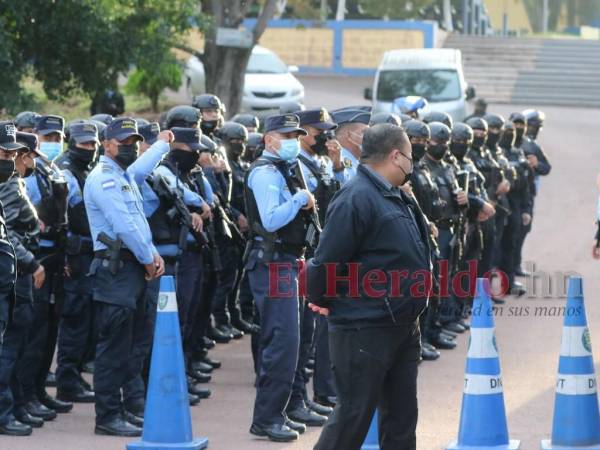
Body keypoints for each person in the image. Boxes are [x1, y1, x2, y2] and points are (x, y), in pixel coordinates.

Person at [306, 124, 432, 450]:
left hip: (402, 324)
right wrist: (321, 299)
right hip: (364, 326)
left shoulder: (395, 194)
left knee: (402, 418)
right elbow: (326, 261)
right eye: (410, 156)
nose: (411, 164)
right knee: (353, 416)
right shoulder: (356, 197)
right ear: (395, 155)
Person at [84, 117, 171, 436]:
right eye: (124, 142)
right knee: (113, 347)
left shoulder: (123, 175)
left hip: (129, 268)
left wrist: (162, 144)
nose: (131, 147)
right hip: (116, 269)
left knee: (127, 344)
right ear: (107, 145)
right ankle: (107, 417)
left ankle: (119, 409)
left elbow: (143, 167)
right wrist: (149, 258)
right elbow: (123, 224)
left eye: (134, 142)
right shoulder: (104, 179)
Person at [245, 113, 315, 442]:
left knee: (292, 342)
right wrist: (300, 199)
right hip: (273, 264)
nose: (293, 141)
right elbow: (271, 220)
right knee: (282, 342)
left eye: (296, 135)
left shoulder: (286, 170)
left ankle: (278, 412)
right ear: (269, 139)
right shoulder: (265, 173)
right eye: (286, 135)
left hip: (288, 261)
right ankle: (267, 418)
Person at [21, 115, 72, 416]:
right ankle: (24, 396)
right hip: (35, 260)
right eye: (47, 138)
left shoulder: (51, 169)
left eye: (57, 138)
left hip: (55, 259)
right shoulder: (26, 176)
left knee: (49, 331)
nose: (52, 144)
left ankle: (38, 391)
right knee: (33, 334)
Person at [0, 123, 47, 435]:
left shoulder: (10, 182)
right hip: (14, 278)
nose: (12, 158)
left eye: (12, 152)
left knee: (16, 346)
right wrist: (30, 263)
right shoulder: (7, 186)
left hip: (9, 281)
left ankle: (13, 406)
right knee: (8, 350)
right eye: (5, 152)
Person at [53, 123, 99, 404]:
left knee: (86, 321)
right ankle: (66, 380)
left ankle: (72, 377)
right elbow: (72, 218)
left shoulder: (85, 170)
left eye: (93, 144)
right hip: (75, 256)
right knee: (75, 320)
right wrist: (67, 256)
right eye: (84, 144)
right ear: (71, 143)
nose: (90, 149)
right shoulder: (67, 171)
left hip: (87, 254)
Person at [331, 108, 371, 178]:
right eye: (364, 132)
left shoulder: (356, 161)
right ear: (349, 135)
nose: (370, 136)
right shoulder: (341, 162)